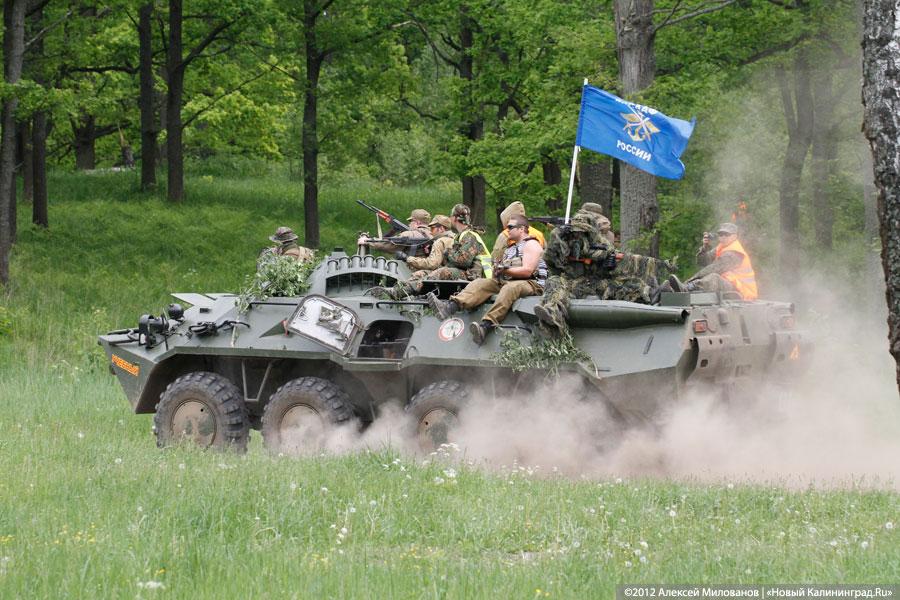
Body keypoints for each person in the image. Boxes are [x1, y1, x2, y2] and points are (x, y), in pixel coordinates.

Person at [428, 215, 546, 345]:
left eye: (511, 227)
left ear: (522, 229)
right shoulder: (510, 249)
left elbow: (527, 271)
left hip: (532, 284)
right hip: (510, 281)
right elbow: (505, 271)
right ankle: (450, 307)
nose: (507, 230)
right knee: (481, 283)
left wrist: (504, 270)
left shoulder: (532, 244)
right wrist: (498, 272)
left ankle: (486, 326)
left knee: (510, 288)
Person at [533, 208, 616, 334]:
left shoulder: (601, 243)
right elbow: (549, 260)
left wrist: (584, 251)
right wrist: (558, 237)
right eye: (575, 231)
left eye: (582, 232)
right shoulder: (567, 242)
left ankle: (554, 313)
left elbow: (604, 253)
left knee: (569, 287)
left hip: (593, 282)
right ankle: (551, 313)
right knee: (554, 281)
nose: (578, 235)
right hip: (571, 279)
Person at [365, 215, 456, 299]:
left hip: (442, 273)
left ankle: (397, 293)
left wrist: (406, 258)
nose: (431, 231)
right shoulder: (454, 238)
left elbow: (431, 264)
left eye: (432, 228)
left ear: (441, 229)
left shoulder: (440, 241)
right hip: (453, 272)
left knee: (419, 274)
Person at [667, 222, 758, 300]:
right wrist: (705, 247)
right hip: (731, 286)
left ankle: (687, 288)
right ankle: (680, 288)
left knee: (714, 277)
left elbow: (713, 269)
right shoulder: (721, 247)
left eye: (726, 234)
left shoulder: (735, 253)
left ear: (735, 236)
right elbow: (703, 261)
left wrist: (688, 282)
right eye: (721, 234)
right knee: (713, 277)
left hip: (742, 290)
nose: (723, 237)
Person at [426, 204, 493, 282]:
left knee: (443, 272)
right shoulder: (462, 235)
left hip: (477, 275)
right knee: (437, 272)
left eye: (450, 216)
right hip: (473, 273)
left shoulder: (469, 235)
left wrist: (447, 252)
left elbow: (463, 261)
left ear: (454, 218)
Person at [357, 209, 432, 256]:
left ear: (417, 222)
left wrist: (367, 241)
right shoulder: (433, 234)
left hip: (412, 272)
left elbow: (390, 245)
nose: (409, 224)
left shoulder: (410, 234)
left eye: (410, 221)